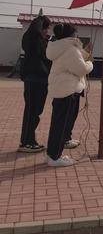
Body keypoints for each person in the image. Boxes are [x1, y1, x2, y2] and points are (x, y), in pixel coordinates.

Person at [45, 23, 93, 167]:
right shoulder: (70, 49)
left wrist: (85, 52)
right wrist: (90, 63)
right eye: (75, 33)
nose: (77, 35)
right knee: (61, 126)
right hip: (67, 91)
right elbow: (81, 68)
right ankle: (55, 157)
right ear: (71, 35)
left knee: (57, 125)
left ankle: (52, 154)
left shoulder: (61, 46)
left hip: (62, 90)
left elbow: (75, 59)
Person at [19, 15, 52, 153]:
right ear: (41, 28)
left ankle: (27, 140)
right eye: (46, 28)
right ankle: (28, 142)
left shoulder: (31, 39)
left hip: (35, 81)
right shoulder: (35, 41)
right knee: (33, 111)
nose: (48, 31)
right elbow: (46, 57)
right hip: (36, 80)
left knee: (33, 111)